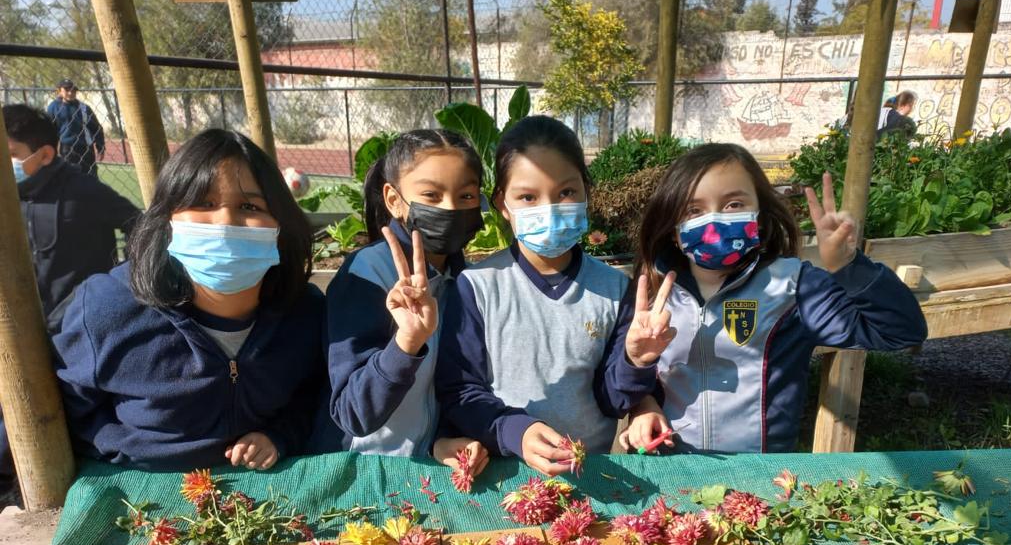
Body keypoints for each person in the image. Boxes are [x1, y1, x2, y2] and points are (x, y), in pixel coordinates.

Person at [603, 142, 927, 454]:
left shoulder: (794, 287)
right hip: (670, 476)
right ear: (673, 229)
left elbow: (901, 330)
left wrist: (848, 267)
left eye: (733, 205)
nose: (714, 221)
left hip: (760, 482)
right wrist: (641, 392)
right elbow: (616, 393)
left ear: (759, 213)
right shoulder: (652, 290)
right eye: (693, 210)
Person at [52, 128, 324, 471]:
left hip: (259, 487)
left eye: (249, 206)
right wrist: (128, 449)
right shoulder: (107, 308)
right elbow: (61, 411)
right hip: (132, 484)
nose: (225, 223)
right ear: (168, 217)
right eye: (204, 203)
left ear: (280, 225)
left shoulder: (305, 313)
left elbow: (313, 396)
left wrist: (280, 436)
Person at [436, 115, 638, 476]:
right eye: (528, 197)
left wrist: (638, 361)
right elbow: (460, 391)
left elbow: (615, 398)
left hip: (590, 472)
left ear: (586, 193)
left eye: (566, 193)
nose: (550, 208)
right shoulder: (478, 286)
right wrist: (516, 432)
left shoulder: (615, 288)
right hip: (503, 473)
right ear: (502, 204)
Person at [309, 129, 489, 479]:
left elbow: (450, 383)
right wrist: (406, 344)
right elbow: (352, 413)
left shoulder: (461, 279)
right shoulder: (366, 275)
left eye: (465, 195)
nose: (450, 208)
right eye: (431, 195)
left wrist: (440, 441)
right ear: (393, 199)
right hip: (359, 467)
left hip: (425, 465)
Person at [1, 104, 139, 503]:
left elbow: (139, 225)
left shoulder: (83, 192)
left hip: (70, 336)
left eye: (9, 153)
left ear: (44, 155)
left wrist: (115, 287)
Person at [46, 79, 105, 177]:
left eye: (73, 90)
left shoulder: (84, 107)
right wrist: (52, 151)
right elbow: (50, 131)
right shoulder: (53, 108)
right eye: (67, 89)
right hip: (67, 148)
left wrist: (100, 147)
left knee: (91, 177)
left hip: (86, 148)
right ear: (59, 91)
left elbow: (96, 128)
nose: (70, 93)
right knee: (70, 177)